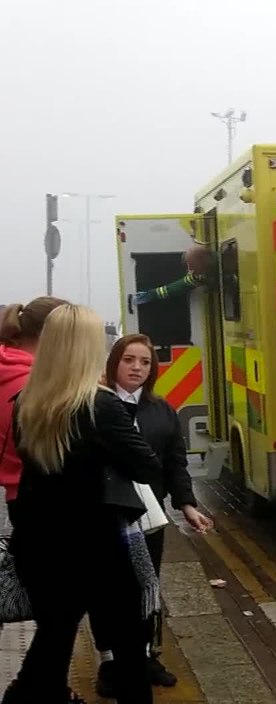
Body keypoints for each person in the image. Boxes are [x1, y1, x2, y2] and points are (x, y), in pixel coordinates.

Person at [5, 304, 163, 704]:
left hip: (39, 544)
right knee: (129, 648)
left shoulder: (27, 401)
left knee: (55, 634)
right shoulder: (98, 405)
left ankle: (25, 696)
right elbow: (146, 465)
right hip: (95, 546)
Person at [90, 335, 215, 696]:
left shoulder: (161, 410)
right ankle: (110, 662)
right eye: (129, 360)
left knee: (146, 585)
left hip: (149, 516)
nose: (137, 368)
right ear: (114, 362)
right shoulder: (97, 405)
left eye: (145, 362)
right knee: (107, 590)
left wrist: (187, 504)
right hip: (107, 515)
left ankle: (144, 655)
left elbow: (176, 461)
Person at [0, 297, 68, 508]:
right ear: (48, 335)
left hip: (16, 493)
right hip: (42, 495)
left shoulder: (9, 370)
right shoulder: (37, 385)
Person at [134, 244, 215, 305]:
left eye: (192, 265)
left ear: (201, 259)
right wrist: (153, 294)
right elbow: (178, 287)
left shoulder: (222, 262)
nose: (190, 270)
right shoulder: (198, 276)